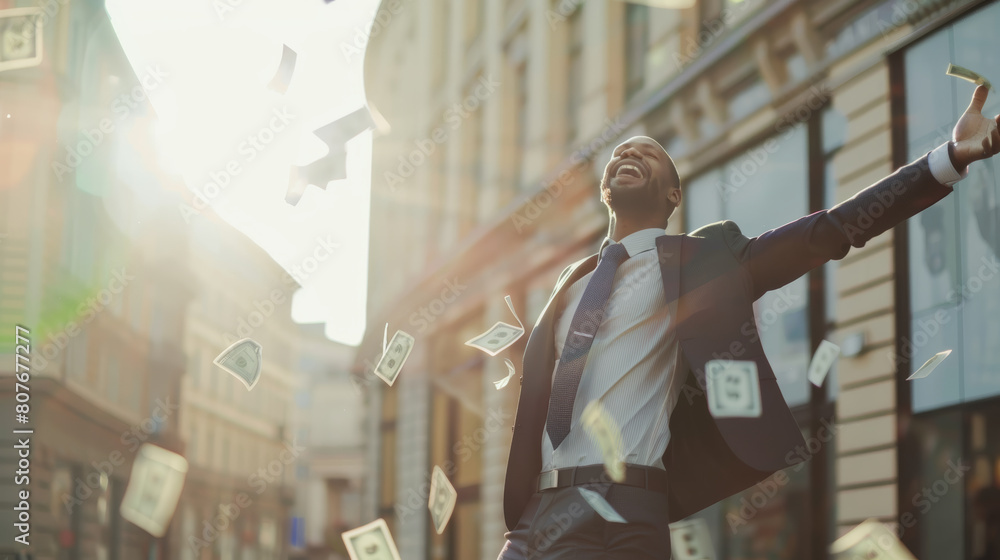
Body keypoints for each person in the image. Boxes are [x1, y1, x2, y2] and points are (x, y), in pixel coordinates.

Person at [497, 85, 1000, 559]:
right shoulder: (572, 283)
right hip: (537, 513)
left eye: (648, 155)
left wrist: (948, 160)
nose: (629, 156)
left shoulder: (700, 265)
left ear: (673, 196)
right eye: (620, 154)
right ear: (606, 189)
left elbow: (829, 231)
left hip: (623, 509)